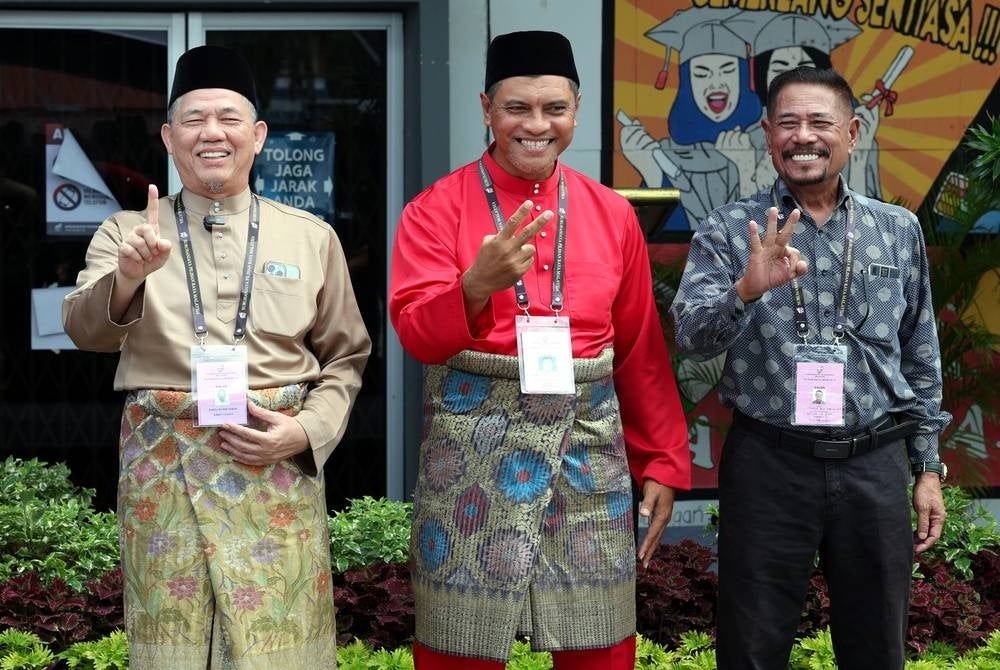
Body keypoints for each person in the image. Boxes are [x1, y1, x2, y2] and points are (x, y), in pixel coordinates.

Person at [389, 30, 691, 670]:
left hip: (589, 442)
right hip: (473, 441)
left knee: (600, 642)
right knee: (458, 646)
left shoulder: (612, 213)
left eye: (554, 108)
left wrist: (663, 459)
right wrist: (474, 286)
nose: (536, 124)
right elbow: (415, 333)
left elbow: (639, 348)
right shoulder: (434, 210)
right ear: (486, 109)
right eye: (517, 108)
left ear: (576, 111)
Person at [63, 45, 371, 669]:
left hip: (273, 460)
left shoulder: (310, 236)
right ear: (170, 138)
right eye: (194, 119)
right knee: (172, 646)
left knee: (279, 649)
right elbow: (82, 330)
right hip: (164, 466)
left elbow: (347, 355)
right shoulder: (127, 233)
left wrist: (306, 432)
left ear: (257, 136)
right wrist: (126, 278)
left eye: (228, 118)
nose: (212, 133)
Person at [670, 66, 950, 670]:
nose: (804, 137)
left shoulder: (896, 230)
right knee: (751, 647)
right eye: (788, 123)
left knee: (878, 646)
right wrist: (744, 290)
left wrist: (927, 469)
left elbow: (921, 356)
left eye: (820, 123)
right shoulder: (729, 229)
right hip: (769, 462)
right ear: (768, 134)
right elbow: (690, 337)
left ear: (851, 133)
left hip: (875, 465)